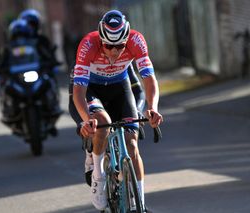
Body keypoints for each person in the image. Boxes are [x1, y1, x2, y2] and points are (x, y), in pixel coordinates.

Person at [72, 10, 163, 211]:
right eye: (109, 46)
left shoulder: (137, 41)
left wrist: (153, 108)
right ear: (101, 39)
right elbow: (78, 90)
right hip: (92, 88)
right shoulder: (88, 44)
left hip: (120, 87)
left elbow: (149, 79)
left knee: (132, 144)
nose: (114, 51)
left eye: (120, 46)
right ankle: (98, 175)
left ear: (127, 39)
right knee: (102, 123)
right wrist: (87, 119)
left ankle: (140, 203)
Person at [19, 9, 63, 132]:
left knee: (50, 82)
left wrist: (52, 62)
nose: (30, 28)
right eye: (27, 25)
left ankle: (53, 107)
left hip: (40, 72)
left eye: (32, 24)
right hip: (21, 75)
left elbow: (50, 54)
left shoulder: (42, 40)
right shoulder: (18, 43)